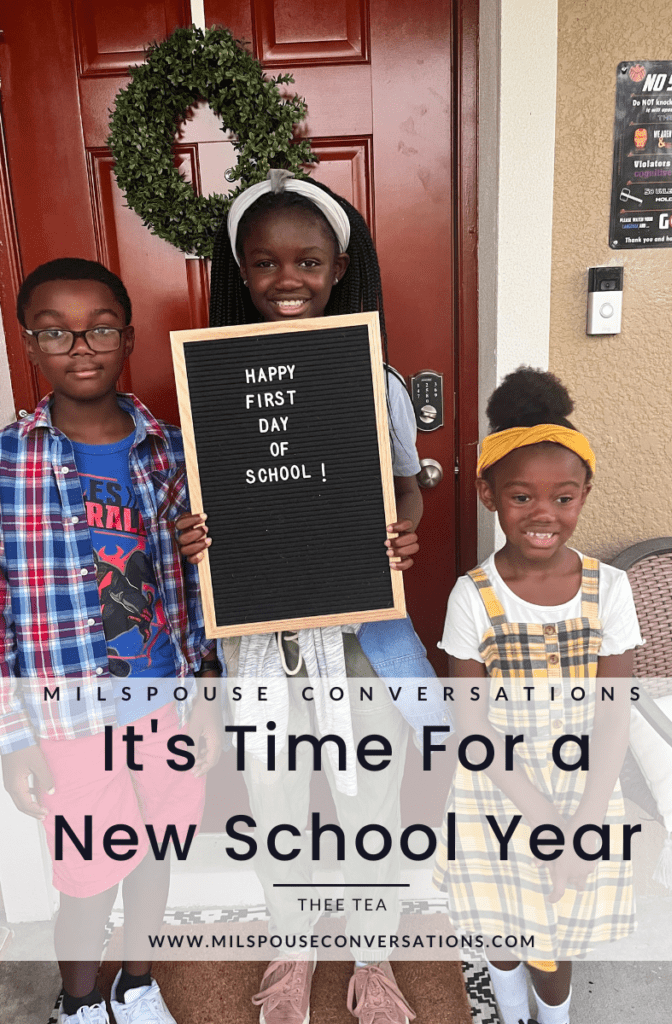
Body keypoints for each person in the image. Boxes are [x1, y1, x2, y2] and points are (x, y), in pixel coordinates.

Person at [178, 170, 451, 1024]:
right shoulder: (215, 385)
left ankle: (373, 956)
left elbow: (408, 492)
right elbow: (215, 502)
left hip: (358, 639)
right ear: (241, 274)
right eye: (263, 263)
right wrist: (197, 539)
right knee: (275, 798)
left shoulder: (377, 382)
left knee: (368, 795)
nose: (284, 278)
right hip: (261, 639)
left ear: (339, 269)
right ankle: (294, 944)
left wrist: (401, 534)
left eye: (306, 260)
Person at [0, 259, 222, 1024]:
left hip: (163, 695)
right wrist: (11, 736)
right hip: (65, 716)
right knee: (89, 873)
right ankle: (81, 999)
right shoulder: (7, 462)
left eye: (98, 327)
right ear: (29, 346)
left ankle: (138, 980)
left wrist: (206, 693)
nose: (80, 346)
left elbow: (199, 589)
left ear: (126, 336)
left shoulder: (170, 451)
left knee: (155, 848)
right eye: (55, 332)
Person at [433, 367, 643, 1024]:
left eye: (562, 497)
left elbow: (613, 718)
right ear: (488, 495)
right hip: (496, 790)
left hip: (584, 790)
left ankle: (550, 1018)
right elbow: (470, 726)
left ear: (584, 495)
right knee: (500, 928)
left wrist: (579, 824)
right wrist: (537, 817)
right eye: (521, 497)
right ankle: (507, 1008)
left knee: (554, 939)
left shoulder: (607, 589)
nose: (543, 514)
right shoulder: (472, 596)